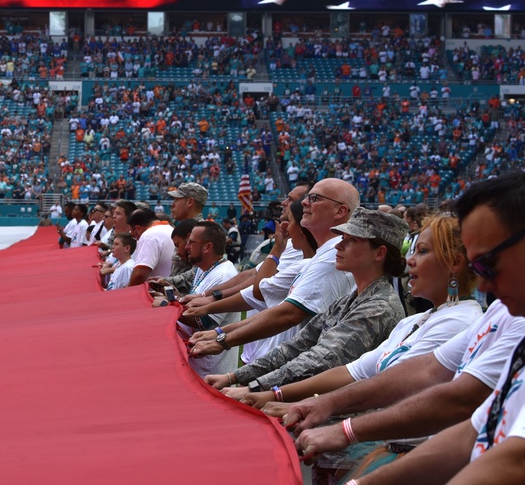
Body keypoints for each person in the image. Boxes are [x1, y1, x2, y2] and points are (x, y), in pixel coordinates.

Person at [302, 172, 525, 485]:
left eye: (488, 263)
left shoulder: (465, 317)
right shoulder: (498, 310)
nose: (484, 283)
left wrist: (341, 426)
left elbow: (463, 405)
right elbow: (466, 416)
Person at [236, 215, 482, 480]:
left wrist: (272, 392)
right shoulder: (415, 319)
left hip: (394, 456)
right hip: (365, 445)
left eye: (422, 251)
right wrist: (272, 393)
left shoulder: (457, 321)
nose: (411, 260)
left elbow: (384, 383)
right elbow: (353, 370)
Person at [204, 208, 408, 394]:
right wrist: (234, 377)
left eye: (352, 240)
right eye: (342, 237)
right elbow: (296, 345)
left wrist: (255, 387)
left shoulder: (379, 307)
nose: (339, 245)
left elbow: (322, 358)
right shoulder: (349, 301)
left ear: (379, 253)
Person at [188, 179, 358, 360]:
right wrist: (220, 332)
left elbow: (286, 312)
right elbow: (275, 304)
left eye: (315, 198)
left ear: (340, 211)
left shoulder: (333, 254)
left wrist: (222, 338)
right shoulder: (322, 254)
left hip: (290, 371)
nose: (305, 202)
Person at [177, 221, 241, 378]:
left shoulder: (224, 275)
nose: (186, 247)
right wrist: (174, 296)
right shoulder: (204, 268)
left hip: (210, 370)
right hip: (198, 361)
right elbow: (193, 302)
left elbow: (205, 322)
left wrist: (169, 306)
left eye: (191, 242)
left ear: (207, 247)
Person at [126, 208, 174, 286]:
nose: (137, 239)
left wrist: (128, 291)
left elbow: (140, 274)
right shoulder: (170, 229)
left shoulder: (149, 235)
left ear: (138, 228)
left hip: (159, 292)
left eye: (135, 236)